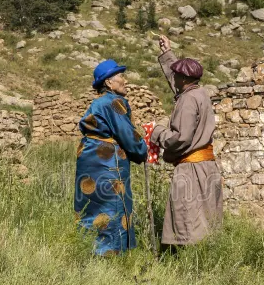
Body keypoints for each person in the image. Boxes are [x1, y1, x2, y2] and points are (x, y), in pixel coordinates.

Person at [150, 35, 223, 249]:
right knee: (206, 220)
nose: (175, 80)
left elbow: (181, 138)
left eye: (177, 77)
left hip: (191, 169)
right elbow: (179, 87)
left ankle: (190, 266)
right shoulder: (200, 93)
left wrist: (158, 133)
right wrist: (167, 53)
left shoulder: (188, 100)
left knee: (187, 221)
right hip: (207, 166)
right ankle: (205, 261)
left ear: (182, 79)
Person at [75, 59, 148, 257]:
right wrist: (143, 150)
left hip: (89, 158)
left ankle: (86, 251)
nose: (126, 81)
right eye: (121, 76)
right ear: (108, 82)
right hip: (107, 161)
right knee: (112, 206)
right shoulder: (114, 102)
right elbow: (127, 135)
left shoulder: (97, 103)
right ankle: (110, 255)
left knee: (91, 206)